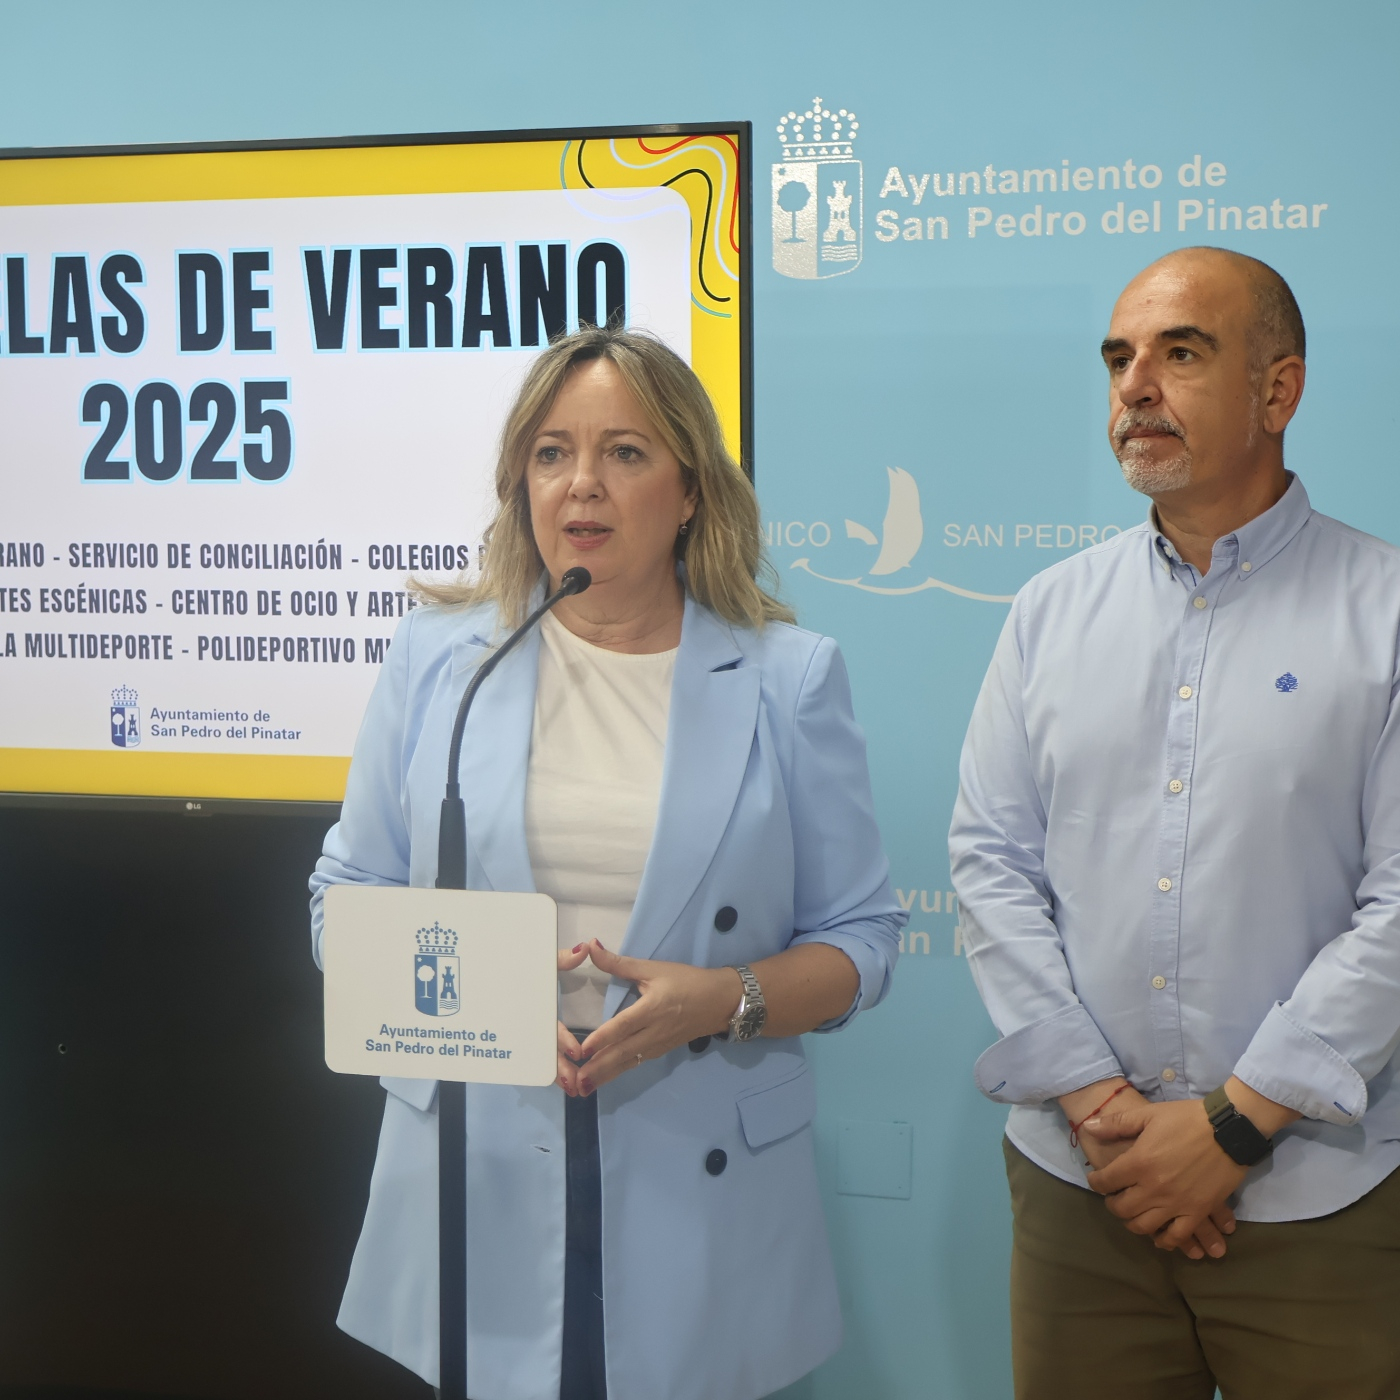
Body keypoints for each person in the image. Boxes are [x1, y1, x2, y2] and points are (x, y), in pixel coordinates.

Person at [310, 326, 904, 1400]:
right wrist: (482, 1011)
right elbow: (346, 900)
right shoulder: (441, 659)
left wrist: (718, 1000)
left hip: (699, 1158)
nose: (581, 483)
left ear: (690, 490)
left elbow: (861, 941)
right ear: (520, 481)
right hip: (478, 1152)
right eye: (551, 452)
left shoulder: (788, 677)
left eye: (624, 452)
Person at [949, 247, 1400, 1399]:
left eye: (1179, 353)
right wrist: (1100, 1107)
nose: (1134, 386)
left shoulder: (1384, 610)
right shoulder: (1048, 611)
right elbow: (990, 863)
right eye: (1117, 359)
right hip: (1082, 1189)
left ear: (1276, 390)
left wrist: (1229, 1130)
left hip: (1316, 1201)